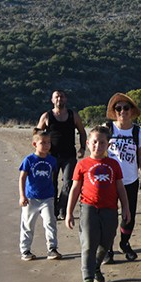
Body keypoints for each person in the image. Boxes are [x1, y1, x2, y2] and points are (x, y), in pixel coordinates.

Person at [65, 126, 130, 282]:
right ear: (88, 143)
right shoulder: (82, 165)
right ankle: (87, 278)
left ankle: (95, 267)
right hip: (88, 208)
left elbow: (120, 188)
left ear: (108, 145)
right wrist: (69, 212)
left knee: (106, 242)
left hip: (110, 209)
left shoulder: (113, 164)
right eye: (94, 142)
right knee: (88, 243)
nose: (98, 146)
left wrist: (126, 208)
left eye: (102, 143)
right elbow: (74, 189)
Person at [102, 93, 141, 263]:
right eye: (118, 108)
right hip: (108, 181)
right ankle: (108, 248)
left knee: (129, 216)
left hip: (130, 180)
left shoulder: (138, 132)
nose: (123, 111)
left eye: (126, 108)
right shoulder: (107, 128)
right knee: (109, 216)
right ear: (114, 112)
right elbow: (97, 152)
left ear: (131, 111)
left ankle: (124, 243)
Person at [36, 90, 87, 220]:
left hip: (69, 155)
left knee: (68, 183)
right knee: (52, 184)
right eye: (56, 97)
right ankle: (53, 211)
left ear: (66, 99)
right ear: (52, 100)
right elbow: (37, 134)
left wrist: (82, 148)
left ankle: (62, 208)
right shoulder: (47, 116)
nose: (59, 99)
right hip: (51, 155)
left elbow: (82, 132)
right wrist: (40, 151)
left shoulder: (73, 115)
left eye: (62, 97)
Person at [18, 129, 61, 261]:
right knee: (27, 225)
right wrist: (22, 196)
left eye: (49, 142)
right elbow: (22, 178)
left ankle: (52, 249)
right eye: (43, 143)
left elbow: (53, 178)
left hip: (47, 198)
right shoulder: (29, 160)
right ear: (35, 144)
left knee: (50, 223)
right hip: (31, 198)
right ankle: (25, 250)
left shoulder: (52, 160)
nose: (47, 145)